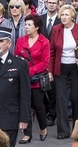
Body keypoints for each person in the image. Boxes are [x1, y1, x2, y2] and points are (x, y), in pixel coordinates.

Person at [48, 5, 78, 139]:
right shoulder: (56, 29)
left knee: (75, 98)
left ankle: (77, 129)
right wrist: (49, 71)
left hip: (76, 67)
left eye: (66, 15)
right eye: (62, 15)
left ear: (72, 16)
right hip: (60, 67)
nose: (64, 17)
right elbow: (52, 52)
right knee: (61, 98)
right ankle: (63, 131)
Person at [14, 14, 50, 143]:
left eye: (29, 25)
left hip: (36, 78)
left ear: (37, 27)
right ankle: (27, 133)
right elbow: (16, 57)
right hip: (23, 79)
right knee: (25, 106)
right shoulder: (20, 40)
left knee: (38, 105)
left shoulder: (44, 41)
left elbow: (44, 62)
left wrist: (28, 71)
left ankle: (43, 127)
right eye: (26, 25)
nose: (26, 27)